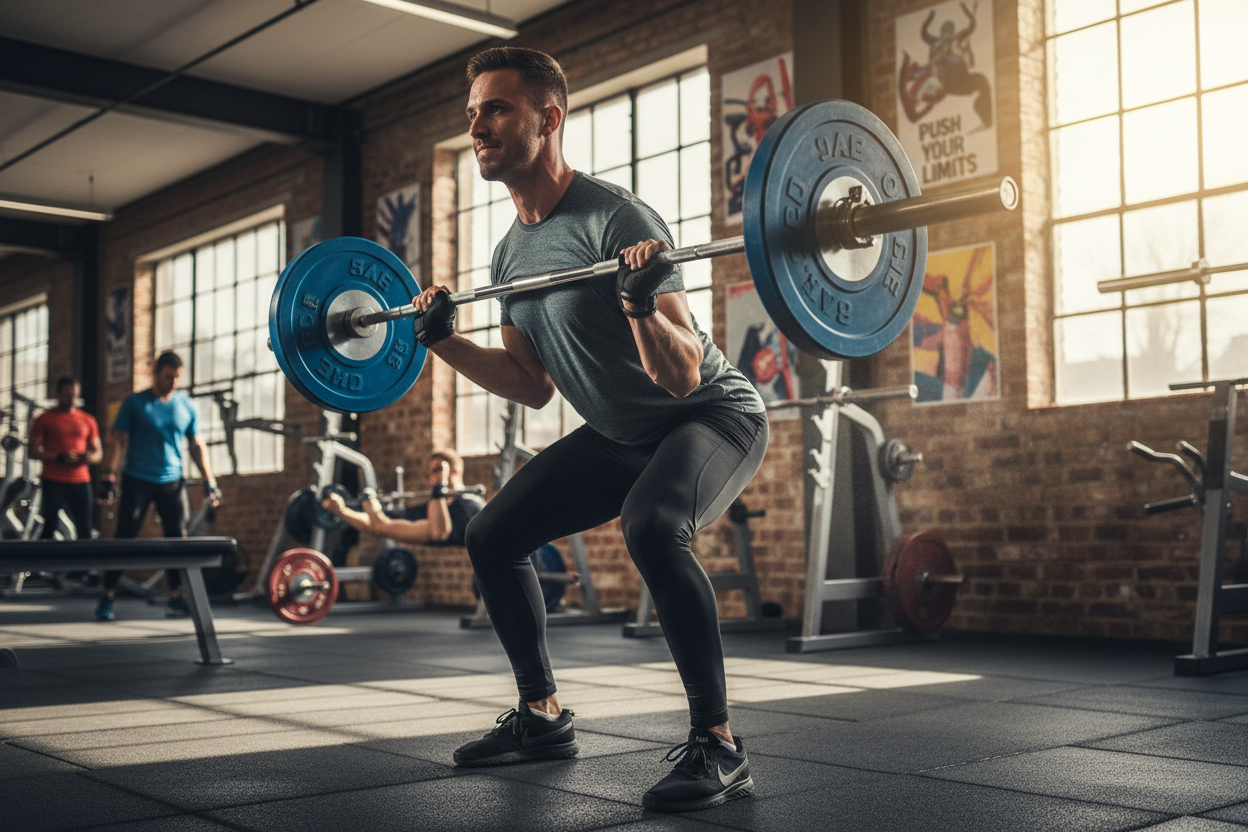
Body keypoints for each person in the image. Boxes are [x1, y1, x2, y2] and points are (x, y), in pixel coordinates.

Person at [409, 47, 768, 813]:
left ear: (548, 118)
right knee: (492, 535)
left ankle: (720, 743)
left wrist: (638, 303)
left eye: (496, 109)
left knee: (653, 524)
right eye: (472, 112)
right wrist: (444, 342)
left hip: (710, 415)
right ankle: (540, 717)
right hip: (619, 432)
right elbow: (532, 387)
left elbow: (683, 377)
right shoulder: (509, 253)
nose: (478, 125)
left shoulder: (618, 218)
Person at [95, 352, 221, 621]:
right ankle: (107, 594)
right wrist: (108, 478)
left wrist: (209, 480)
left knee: (177, 539)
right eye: (168, 377)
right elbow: (117, 442)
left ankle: (176, 598)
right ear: (156, 374)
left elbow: (197, 446)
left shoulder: (186, 405)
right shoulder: (135, 403)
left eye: (177, 377)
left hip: (172, 481)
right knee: (124, 538)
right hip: (137, 479)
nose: (173, 382)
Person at [320, 448, 484, 545]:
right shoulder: (434, 505)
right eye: (431, 473)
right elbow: (382, 526)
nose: (432, 478)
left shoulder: (470, 507)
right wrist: (341, 511)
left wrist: (439, 486)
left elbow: (438, 533)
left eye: (437, 471)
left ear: (455, 472)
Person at [29, 376, 102, 541]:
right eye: (67, 395)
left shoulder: (88, 420)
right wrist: (59, 457)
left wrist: (89, 457)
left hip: (81, 480)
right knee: (49, 526)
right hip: (53, 480)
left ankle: (84, 567)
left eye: (75, 395)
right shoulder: (44, 419)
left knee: (85, 527)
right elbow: (32, 451)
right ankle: (43, 566)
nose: (71, 399)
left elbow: (98, 453)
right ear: (58, 394)